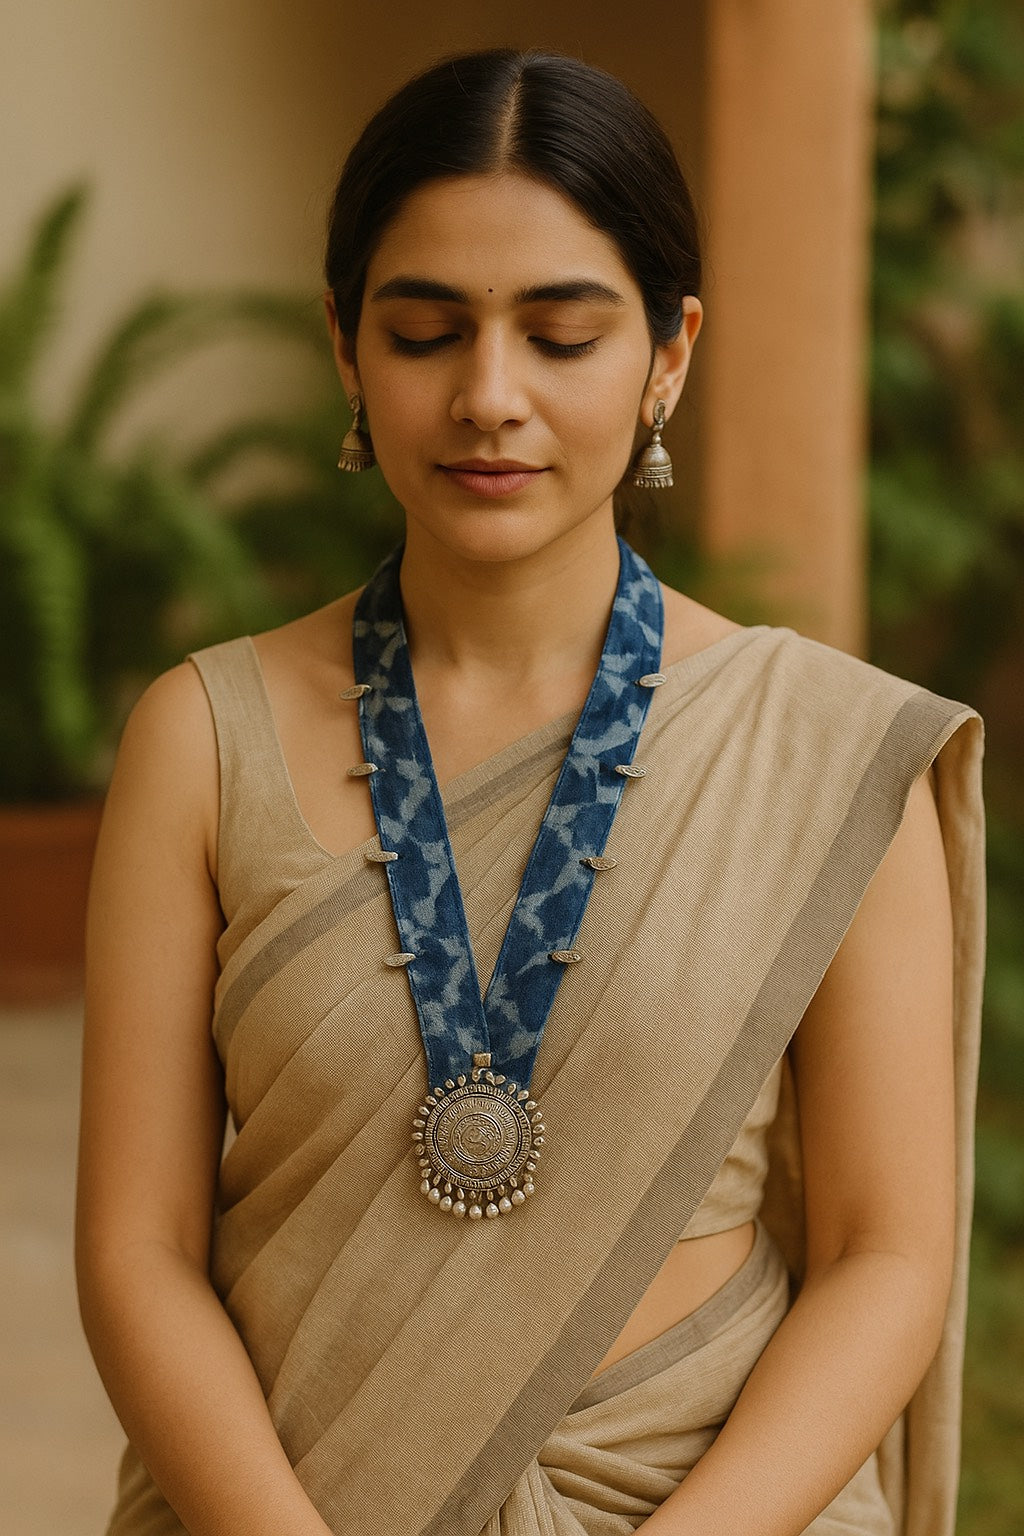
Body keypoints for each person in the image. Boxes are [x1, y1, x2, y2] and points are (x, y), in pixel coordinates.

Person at [76, 48, 985, 1536]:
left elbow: (890, 1256)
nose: (489, 397)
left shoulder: (819, 744)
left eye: (563, 337)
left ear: (669, 354)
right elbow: (138, 1248)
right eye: (427, 331)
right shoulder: (205, 737)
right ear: (345, 346)